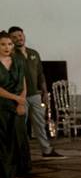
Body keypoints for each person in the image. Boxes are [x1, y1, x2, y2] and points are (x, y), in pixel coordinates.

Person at [8, 27, 62, 158]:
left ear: (23, 36)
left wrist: (44, 92)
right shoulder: (11, 55)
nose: (18, 39)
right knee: (20, 125)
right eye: (14, 37)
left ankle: (47, 150)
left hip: (35, 95)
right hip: (19, 96)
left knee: (40, 123)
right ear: (11, 40)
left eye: (20, 35)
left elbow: (40, 74)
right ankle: (20, 153)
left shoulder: (33, 53)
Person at [0, 31, 29, 178]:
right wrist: (16, 98)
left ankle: (14, 176)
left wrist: (21, 102)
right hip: (1, 107)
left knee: (16, 142)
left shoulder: (17, 61)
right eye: (3, 44)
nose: (7, 47)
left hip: (16, 107)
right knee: (2, 144)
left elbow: (23, 83)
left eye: (9, 44)